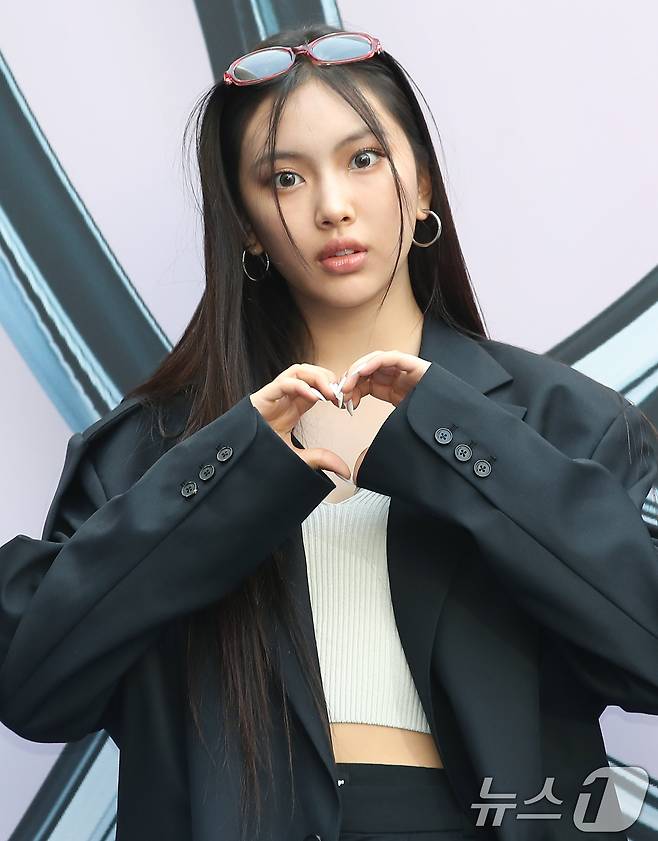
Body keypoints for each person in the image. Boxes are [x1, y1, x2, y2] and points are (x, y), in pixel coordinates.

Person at [1, 21, 657, 841]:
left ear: (422, 185)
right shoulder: (149, 450)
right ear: (246, 223)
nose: (332, 206)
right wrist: (228, 467)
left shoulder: (565, 421)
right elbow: (34, 686)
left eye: (364, 159)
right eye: (285, 176)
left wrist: (457, 436)